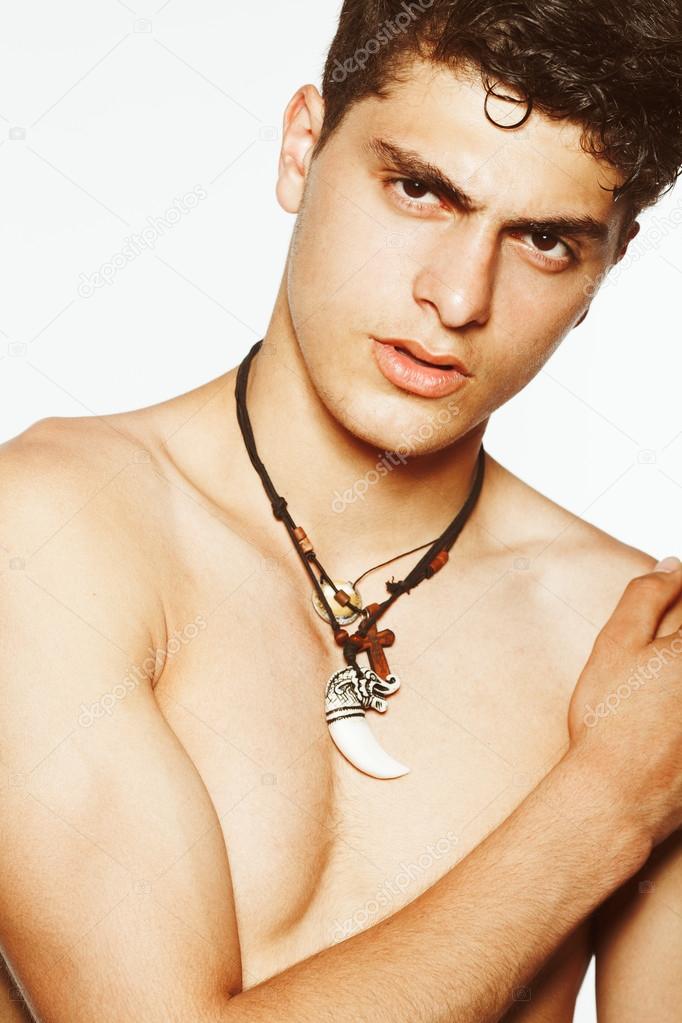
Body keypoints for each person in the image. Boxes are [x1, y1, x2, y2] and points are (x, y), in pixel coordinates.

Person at [1, 1, 681, 1020]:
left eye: (542, 240)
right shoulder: (52, 534)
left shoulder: (631, 643)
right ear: (300, 147)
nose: (458, 297)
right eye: (420, 190)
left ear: (604, 271)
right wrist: (605, 804)